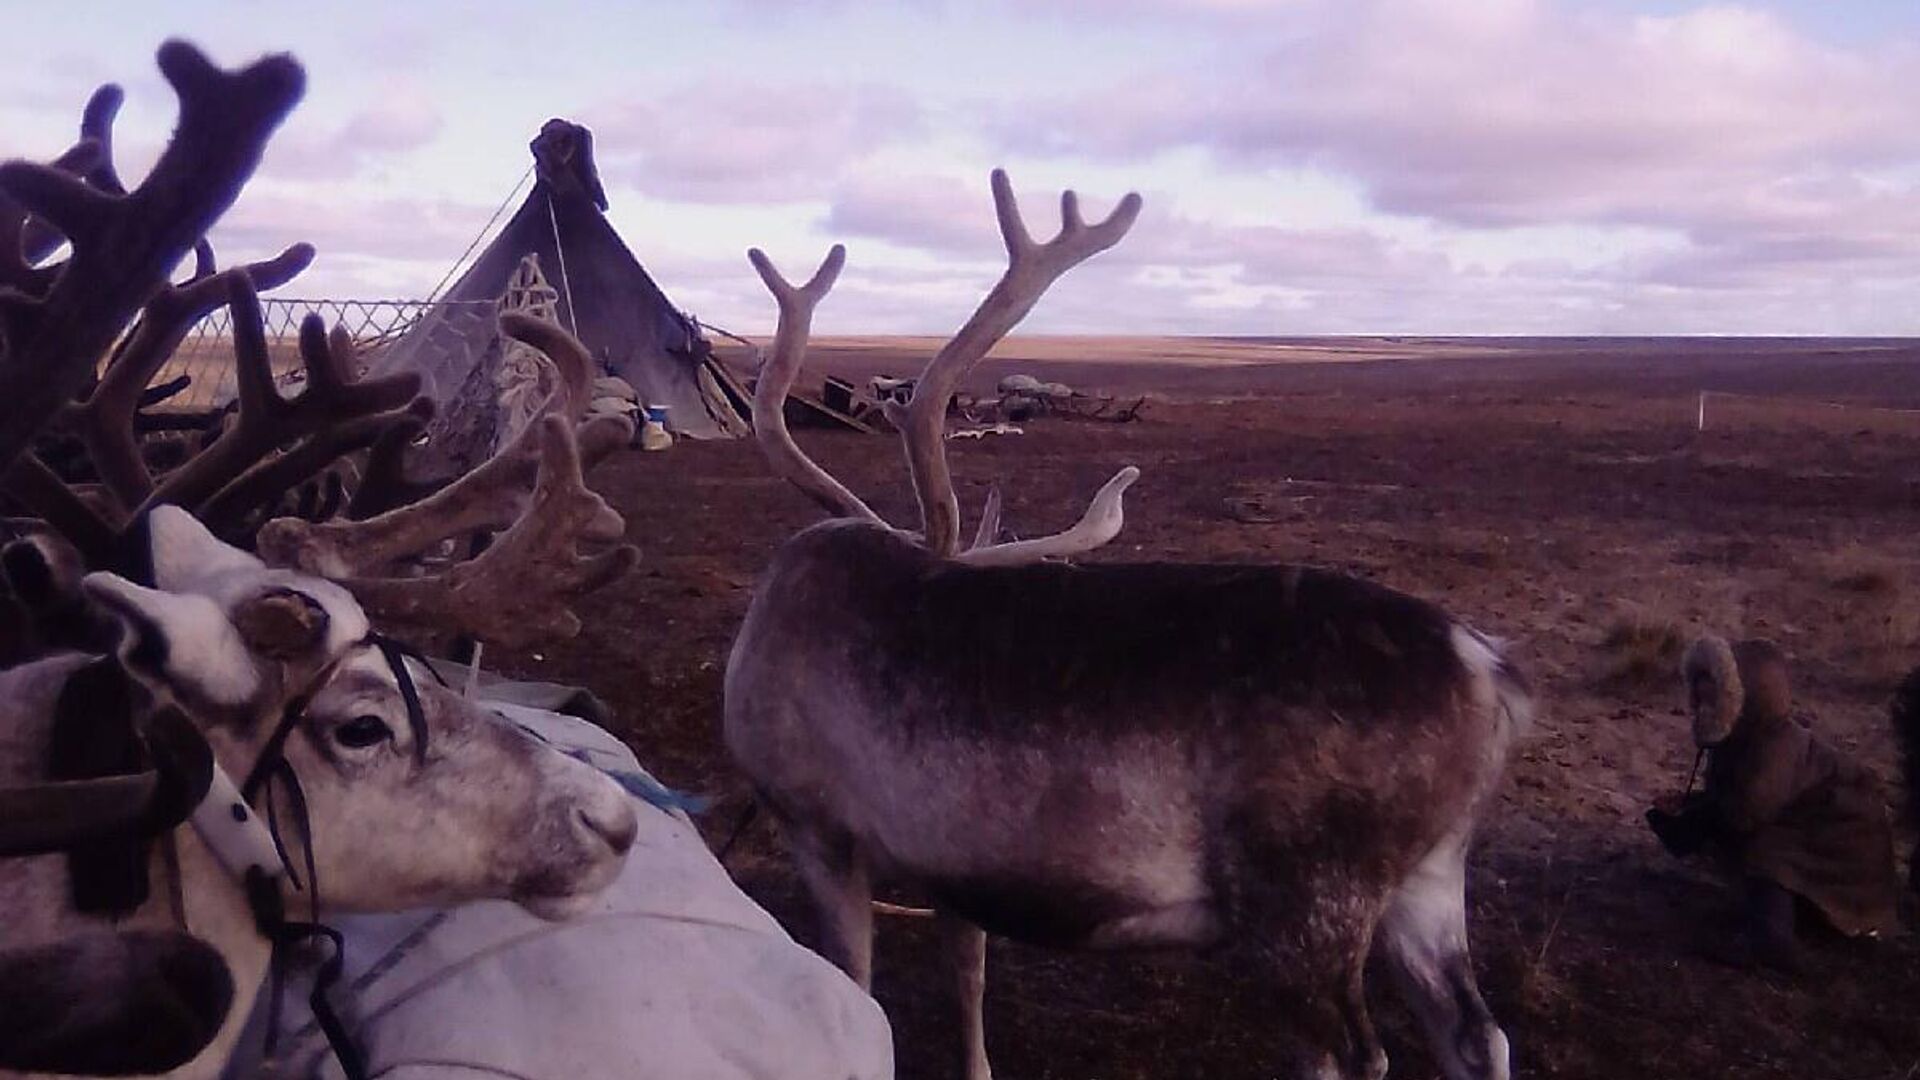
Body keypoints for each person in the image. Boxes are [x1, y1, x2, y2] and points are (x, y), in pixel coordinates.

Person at [1647, 636, 1900, 972]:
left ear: (1743, 696)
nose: (1700, 695)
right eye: (1699, 683)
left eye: (1712, 686)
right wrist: (1690, 805)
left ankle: (1770, 944)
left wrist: (1693, 818)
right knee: (1760, 839)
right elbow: (1736, 798)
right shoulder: (1739, 738)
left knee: (1768, 850)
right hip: (1820, 830)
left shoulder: (1776, 747)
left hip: (1847, 850)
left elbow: (1745, 813)